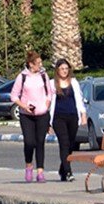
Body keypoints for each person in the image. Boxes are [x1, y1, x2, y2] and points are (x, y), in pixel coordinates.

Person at [10, 50, 54, 182]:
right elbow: (13, 96)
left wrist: (46, 105)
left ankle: (40, 171)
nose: (40, 65)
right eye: (38, 63)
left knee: (40, 142)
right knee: (30, 142)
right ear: (30, 64)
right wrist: (24, 106)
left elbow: (49, 93)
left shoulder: (43, 75)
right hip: (26, 115)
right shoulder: (22, 77)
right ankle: (28, 166)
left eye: (41, 62)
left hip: (42, 114)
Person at [49, 58, 87, 182]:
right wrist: (48, 123)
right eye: (62, 69)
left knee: (70, 145)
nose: (64, 71)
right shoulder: (52, 83)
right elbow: (49, 103)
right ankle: (68, 172)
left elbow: (79, 99)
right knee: (64, 143)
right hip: (58, 118)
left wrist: (83, 114)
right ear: (57, 70)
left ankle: (62, 168)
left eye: (66, 69)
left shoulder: (74, 82)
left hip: (72, 116)